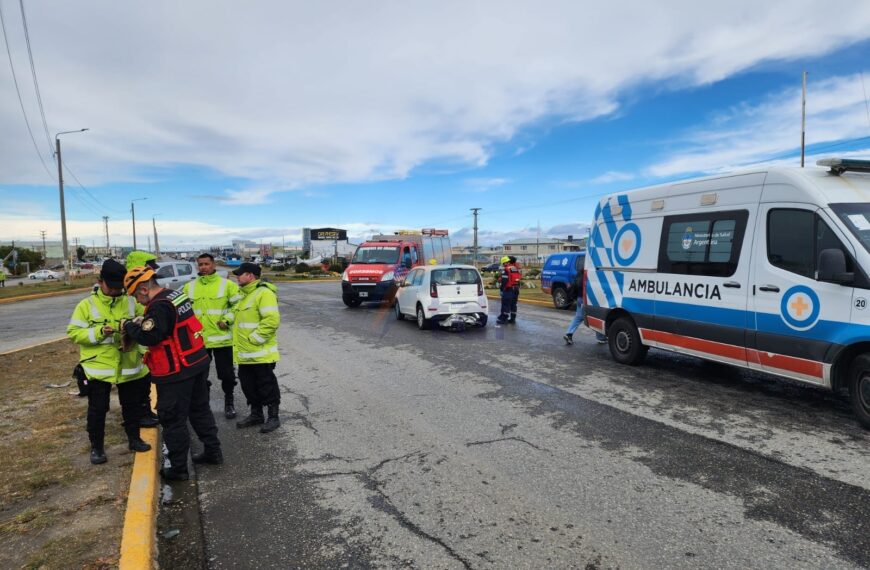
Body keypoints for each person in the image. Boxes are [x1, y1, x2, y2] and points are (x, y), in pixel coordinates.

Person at [122, 265, 222, 481]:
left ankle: (178, 469)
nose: (136, 301)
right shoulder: (175, 295)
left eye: (134, 295)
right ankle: (213, 451)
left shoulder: (159, 307)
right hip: (197, 362)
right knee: (200, 410)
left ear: (143, 289)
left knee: (173, 419)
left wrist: (130, 327)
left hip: (176, 370)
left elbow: (151, 337)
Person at [67, 259, 152, 465]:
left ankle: (134, 439)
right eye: (111, 287)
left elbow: (146, 325)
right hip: (99, 367)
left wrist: (140, 345)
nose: (116, 291)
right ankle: (97, 447)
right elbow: (74, 333)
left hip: (129, 364)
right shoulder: (86, 306)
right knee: (98, 409)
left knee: (131, 406)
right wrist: (98, 332)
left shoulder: (131, 301)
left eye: (119, 287)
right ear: (100, 281)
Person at [184, 253, 242, 419]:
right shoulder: (190, 287)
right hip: (199, 340)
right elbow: (183, 311)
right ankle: (203, 405)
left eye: (206, 264)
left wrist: (227, 319)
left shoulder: (227, 285)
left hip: (222, 339)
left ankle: (229, 402)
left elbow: (238, 305)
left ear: (213, 264)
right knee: (200, 376)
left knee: (227, 375)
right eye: (200, 264)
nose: (203, 267)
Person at [232, 262, 282, 433]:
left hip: (259, 353)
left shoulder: (264, 293)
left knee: (266, 385)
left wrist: (254, 339)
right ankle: (256, 414)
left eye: (240, 274)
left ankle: (273, 417)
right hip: (244, 354)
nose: (237, 277)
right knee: (248, 385)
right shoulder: (244, 294)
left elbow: (271, 320)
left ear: (250, 276)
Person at [125, 252, 160, 428]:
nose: (154, 269)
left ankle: (146, 411)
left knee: (144, 380)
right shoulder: (131, 287)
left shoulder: (141, 286)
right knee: (134, 384)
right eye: (151, 265)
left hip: (141, 338)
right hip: (134, 340)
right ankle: (139, 414)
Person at [563, 270, 607, 345]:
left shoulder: (580, 273)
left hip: (580, 298)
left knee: (578, 317)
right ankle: (601, 337)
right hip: (589, 299)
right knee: (597, 315)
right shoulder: (593, 272)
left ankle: (568, 334)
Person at [496, 256, 521, 324]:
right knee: (513, 304)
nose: (503, 265)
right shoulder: (515, 268)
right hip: (516, 289)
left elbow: (504, 281)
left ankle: (504, 319)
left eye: (503, 263)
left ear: (506, 263)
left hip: (508, 289)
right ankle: (512, 318)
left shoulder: (506, 270)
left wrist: (501, 289)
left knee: (505, 304)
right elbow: (518, 279)